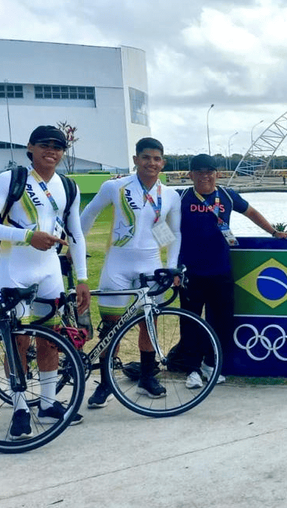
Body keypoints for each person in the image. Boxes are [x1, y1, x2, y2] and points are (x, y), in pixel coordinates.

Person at [0, 125, 90, 437]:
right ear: (30, 147)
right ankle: (20, 407)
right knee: (17, 340)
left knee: (50, 338)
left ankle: (49, 402)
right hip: (14, 269)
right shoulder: (11, 179)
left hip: (50, 270)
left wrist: (82, 278)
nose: (51, 151)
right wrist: (27, 235)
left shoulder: (68, 185)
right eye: (44, 145)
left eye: (58, 146)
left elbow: (76, 234)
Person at [175, 154, 287, 389]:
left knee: (222, 321)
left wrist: (273, 232)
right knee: (191, 323)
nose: (205, 176)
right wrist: (170, 262)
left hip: (221, 271)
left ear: (217, 174)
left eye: (210, 171)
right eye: (199, 171)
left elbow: (252, 213)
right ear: (191, 175)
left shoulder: (227, 196)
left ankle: (211, 364)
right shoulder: (180, 197)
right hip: (190, 273)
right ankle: (192, 369)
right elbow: (159, 223)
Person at [80, 137, 181, 407]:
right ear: (136, 159)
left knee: (149, 323)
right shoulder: (115, 187)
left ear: (163, 163)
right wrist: (73, 246)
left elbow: (172, 233)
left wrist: (171, 265)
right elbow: (88, 215)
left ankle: (147, 378)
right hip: (118, 265)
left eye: (157, 158)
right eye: (146, 157)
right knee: (110, 327)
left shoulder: (169, 195)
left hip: (151, 265)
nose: (151, 163)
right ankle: (104, 383)